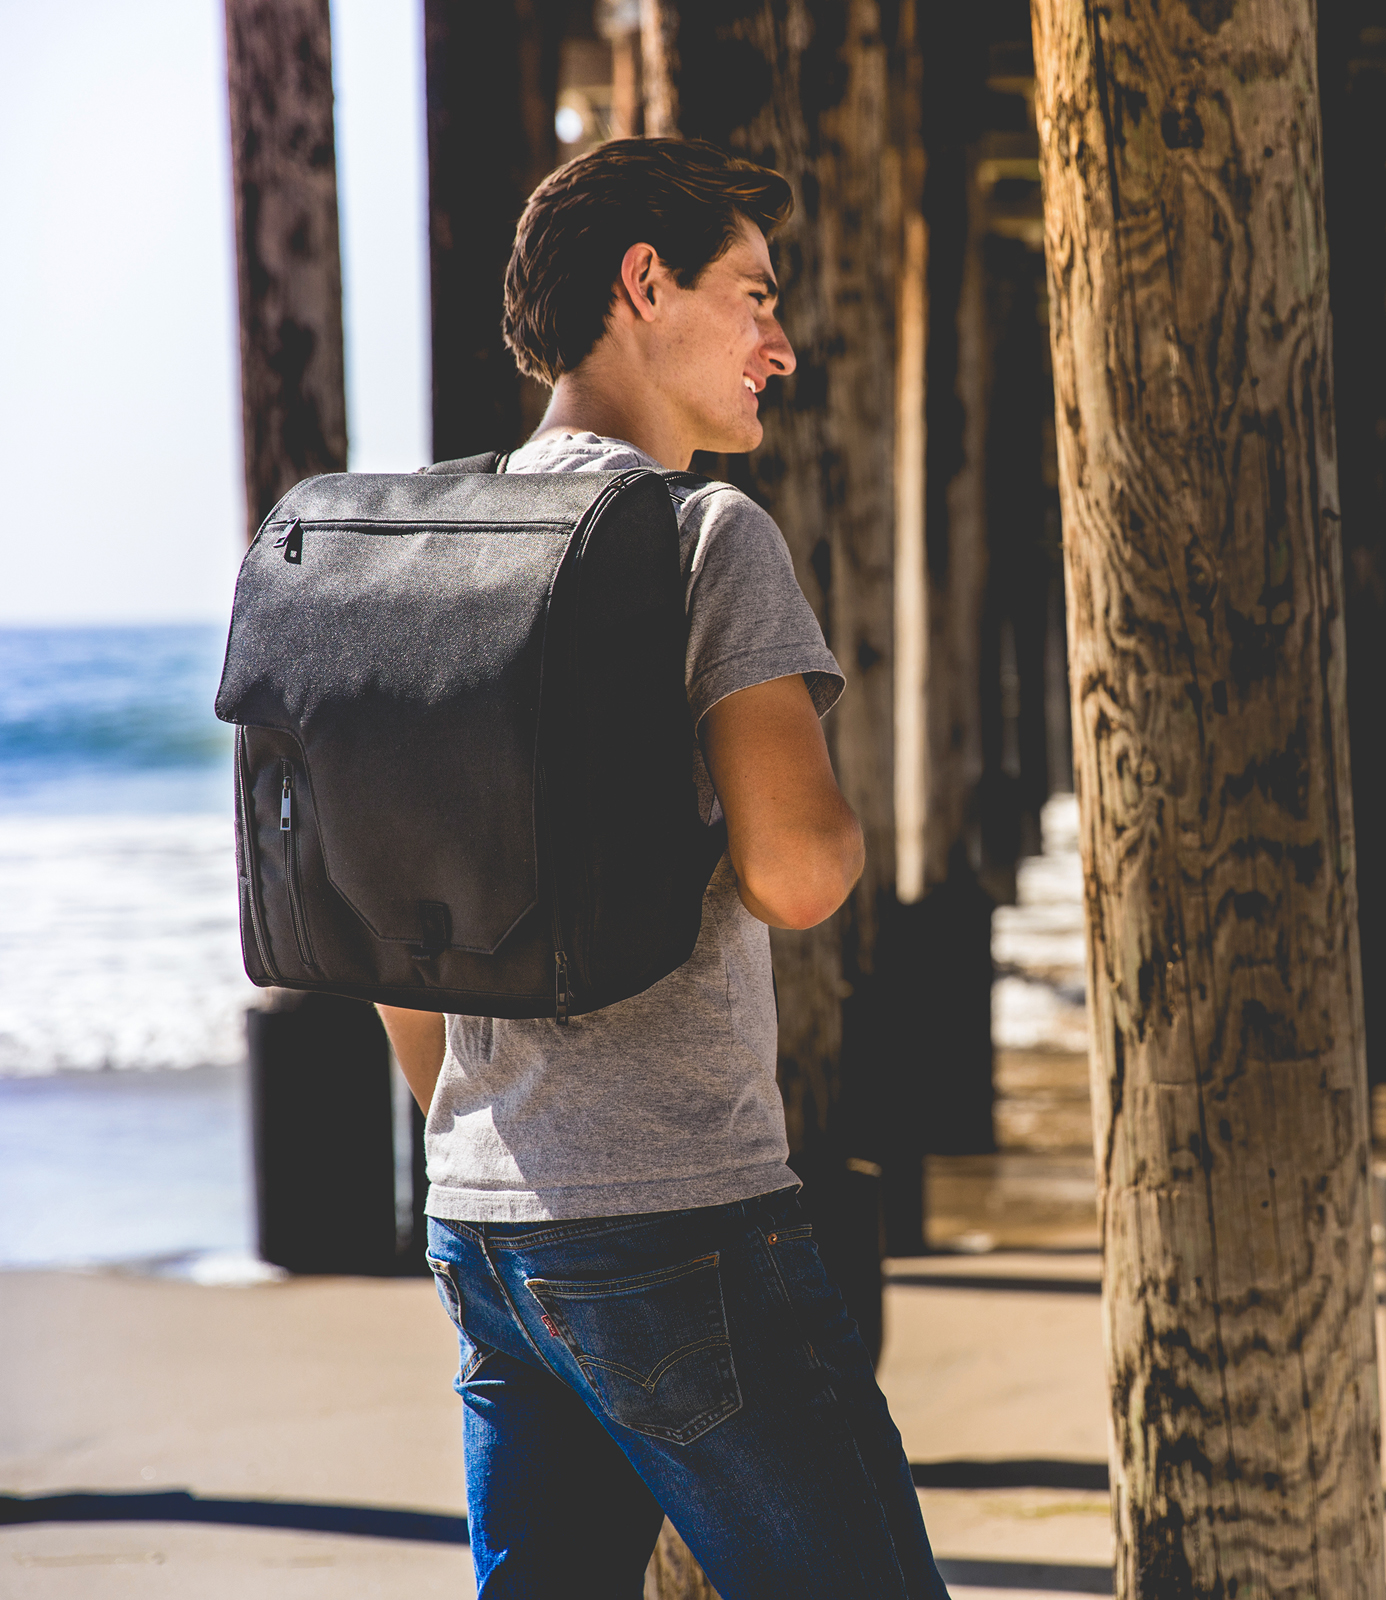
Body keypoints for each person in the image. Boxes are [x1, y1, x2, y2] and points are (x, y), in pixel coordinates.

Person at [376, 137, 949, 1599]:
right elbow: (799, 873)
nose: (782, 341)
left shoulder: (432, 549)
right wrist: (839, 815)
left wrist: (485, 1125)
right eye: (753, 296)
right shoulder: (701, 537)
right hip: (680, 1209)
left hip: (484, 1220)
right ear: (647, 283)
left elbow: (388, 927)